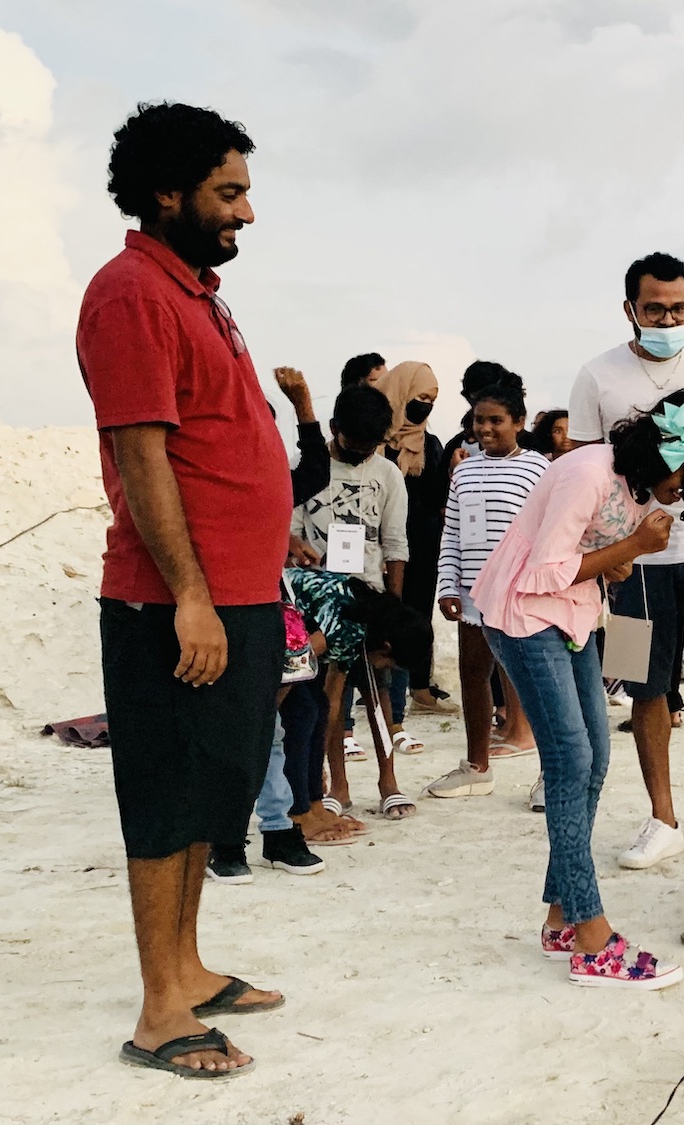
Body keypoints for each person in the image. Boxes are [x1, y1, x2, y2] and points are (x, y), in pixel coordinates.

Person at [79, 101, 286, 1079]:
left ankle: (190, 968)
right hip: (171, 605)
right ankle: (161, 1010)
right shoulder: (130, 293)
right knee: (165, 796)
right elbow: (143, 455)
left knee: (214, 792)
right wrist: (191, 598)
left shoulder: (193, 288)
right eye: (227, 193)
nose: (244, 212)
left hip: (235, 595)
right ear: (168, 192)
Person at [471, 388, 684, 989]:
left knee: (595, 758)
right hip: (522, 615)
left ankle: (560, 916)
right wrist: (633, 549)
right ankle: (592, 939)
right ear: (669, 449)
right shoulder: (589, 472)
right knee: (571, 759)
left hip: (573, 615)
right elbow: (539, 573)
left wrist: (621, 559)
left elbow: (599, 561)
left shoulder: (642, 489)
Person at [566, 252, 684, 869]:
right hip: (633, 565)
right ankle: (661, 818)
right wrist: (608, 555)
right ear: (630, 310)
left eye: (679, 307)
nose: (668, 318)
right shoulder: (596, 376)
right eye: (655, 308)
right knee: (642, 689)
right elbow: (584, 475)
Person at [206, 365, 339, 883]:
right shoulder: (204, 485)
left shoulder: (269, 483)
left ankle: (278, 832)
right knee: (228, 730)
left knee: (274, 727)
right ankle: (224, 838)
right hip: (215, 613)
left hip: (268, 612)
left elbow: (316, 472)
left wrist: (304, 403)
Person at [293, 385, 419, 815]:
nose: (361, 454)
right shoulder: (304, 467)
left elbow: (396, 544)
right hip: (317, 605)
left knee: (379, 693)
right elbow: (284, 530)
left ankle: (389, 782)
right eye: (352, 445)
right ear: (333, 430)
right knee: (327, 698)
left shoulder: (386, 474)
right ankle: (337, 787)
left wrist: (394, 610)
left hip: (372, 603)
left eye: (371, 446)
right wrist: (295, 545)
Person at [426, 371, 549, 801]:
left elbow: (547, 534)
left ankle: (550, 775)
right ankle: (477, 766)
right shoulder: (463, 471)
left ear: (518, 422)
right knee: (473, 674)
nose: (485, 429)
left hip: (521, 599)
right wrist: (448, 586)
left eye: (495, 420)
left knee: (534, 682)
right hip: (475, 598)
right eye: (479, 420)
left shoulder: (539, 468)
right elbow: (452, 534)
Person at [286, 568, 435, 822]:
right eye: (390, 665)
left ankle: (320, 800)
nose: (385, 669)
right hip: (279, 615)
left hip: (301, 633)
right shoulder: (346, 625)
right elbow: (293, 666)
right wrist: (314, 764)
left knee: (321, 709)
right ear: (386, 647)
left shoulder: (368, 620)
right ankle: (313, 802)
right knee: (304, 715)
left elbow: (331, 698)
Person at [372, 361, 454, 717]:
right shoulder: (373, 441)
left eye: (431, 399)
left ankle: (419, 688)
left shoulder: (430, 444)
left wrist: (450, 472)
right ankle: (376, 692)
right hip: (379, 545)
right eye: (419, 396)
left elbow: (436, 498)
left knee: (417, 616)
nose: (424, 405)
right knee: (381, 613)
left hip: (421, 545)